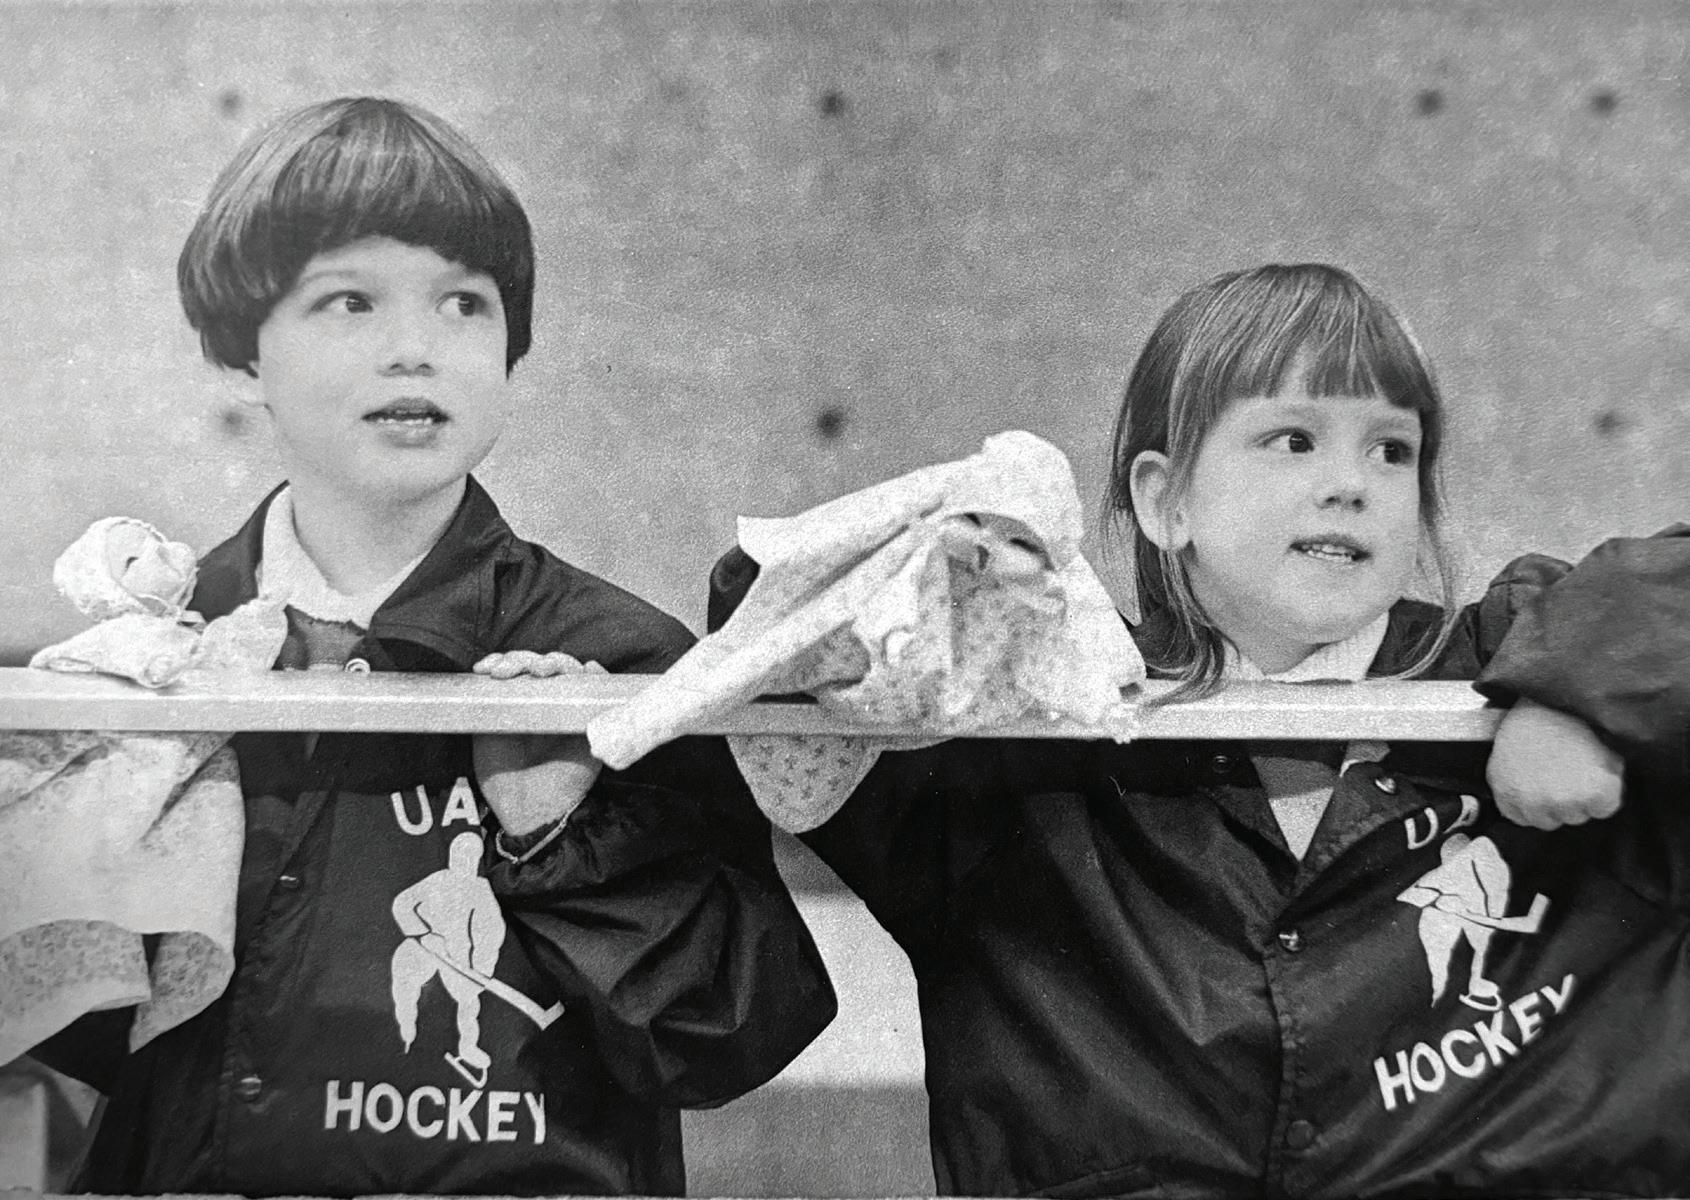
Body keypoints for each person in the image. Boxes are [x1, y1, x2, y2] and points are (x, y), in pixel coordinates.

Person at [709, 263, 1690, 1197]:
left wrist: (1581, 682)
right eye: (1293, 440)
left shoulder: (1519, 654)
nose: (1351, 482)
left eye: (1393, 450)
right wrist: (938, 568)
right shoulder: (1034, 725)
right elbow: (769, 619)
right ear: (1164, 499)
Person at [31, 96, 833, 1196]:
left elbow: (726, 1034)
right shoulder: (157, 657)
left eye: (464, 303)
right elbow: (65, 1033)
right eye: (349, 301)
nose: (414, 349)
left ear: (510, 347)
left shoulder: (616, 656)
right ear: (245, 349)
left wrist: (561, 837)